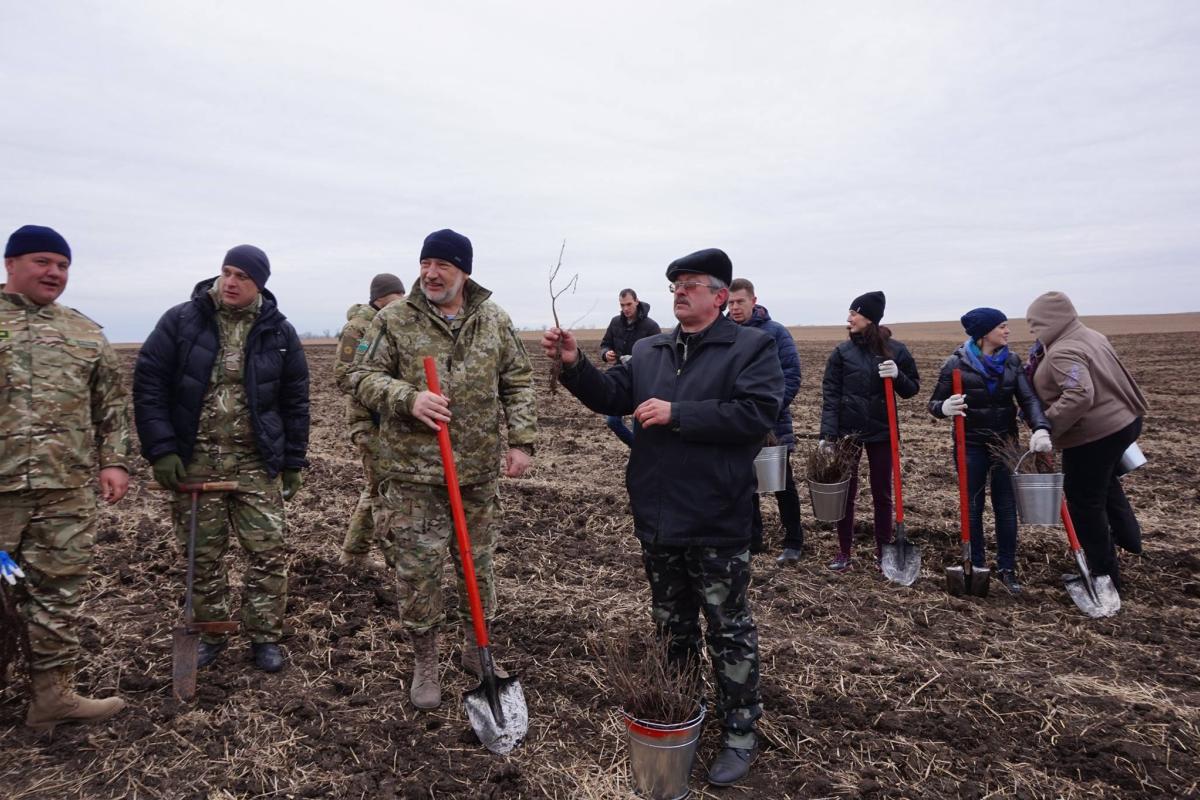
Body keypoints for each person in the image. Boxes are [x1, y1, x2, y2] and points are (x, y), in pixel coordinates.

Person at [542, 248, 782, 787]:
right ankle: (680, 713)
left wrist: (680, 415)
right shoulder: (650, 349)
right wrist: (575, 364)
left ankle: (741, 731)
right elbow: (611, 393)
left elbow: (757, 415)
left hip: (718, 515)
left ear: (720, 297)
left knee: (728, 629)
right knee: (671, 627)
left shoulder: (751, 347)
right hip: (658, 513)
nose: (679, 291)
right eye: (675, 283)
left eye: (692, 284)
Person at [350, 229, 536, 710]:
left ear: (464, 272)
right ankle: (426, 660)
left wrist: (521, 442)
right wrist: (407, 398)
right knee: (419, 570)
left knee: (478, 564)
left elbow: (517, 380)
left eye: (443, 266)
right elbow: (360, 376)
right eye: (425, 263)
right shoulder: (394, 319)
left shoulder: (494, 320)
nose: (431, 273)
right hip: (413, 473)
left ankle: (480, 651)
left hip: (474, 469)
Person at [133, 244, 310, 674]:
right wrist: (162, 450)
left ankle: (265, 636)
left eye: (242, 277)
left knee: (268, 551)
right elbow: (149, 385)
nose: (231, 282)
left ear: (260, 285)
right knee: (202, 555)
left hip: (254, 460)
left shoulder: (279, 333)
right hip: (196, 460)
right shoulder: (181, 321)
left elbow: (295, 400)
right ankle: (211, 632)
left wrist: (292, 461)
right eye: (227, 272)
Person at [0, 225, 131, 733]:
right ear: (11, 264)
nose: (54, 273)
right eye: (42, 262)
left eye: (62, 265)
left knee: (58, 594)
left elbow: (112, 407)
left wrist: (114, 461)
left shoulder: (84, 333)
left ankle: (51, 697)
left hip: (65, 493)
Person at [1025, 291, 1148, 591]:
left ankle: (1103, 575)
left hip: (1094, 436)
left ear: (1051, 321)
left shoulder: (1062, 351)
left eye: (1036, 325)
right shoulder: (1090, 335)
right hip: (1124, 422)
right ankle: (1130, 539)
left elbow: (1080, 393)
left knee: (1084, 503)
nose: (1034, 332)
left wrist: (1046, 427)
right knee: (1104, 485)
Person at [927, 307, 1051, 593]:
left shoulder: (1013, 362)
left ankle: (1008, 569)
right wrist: (944, 409)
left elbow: (1029, 400)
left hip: (1006, 446)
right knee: (972, 507)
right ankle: (976, 564)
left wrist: (1041, 427)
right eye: (1002, 327)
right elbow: (934, 403)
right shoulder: (955, 364)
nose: (1007, 331)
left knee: (1006, 507)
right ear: (984, 333)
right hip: (970, 445)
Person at [819, 291, 920, 571]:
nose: (849, 318)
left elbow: (912, 389)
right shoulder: (842, 353)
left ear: (870, 318)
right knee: (845, 493)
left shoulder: (895, 351)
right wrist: (828, 436)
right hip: (847, 433)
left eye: (854, 313)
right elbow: (831, 395)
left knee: (882, 494)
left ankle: (883, 553)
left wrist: (898, 376)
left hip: (882, 432)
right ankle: (844, 552)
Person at [726, 278, 805, 564]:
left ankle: (794, 541)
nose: (734, 308)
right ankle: (753, 539)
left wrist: (768, 410)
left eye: (740, 302)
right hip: (736, 423)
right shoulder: (724, 333)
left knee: (782, 483)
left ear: (754, 300)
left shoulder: (775, 333)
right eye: (731, 303)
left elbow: (792, 375)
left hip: (771, 423)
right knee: (744, 484)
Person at [333, 273, 406, 569]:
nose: (400, 303)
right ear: (379, 298)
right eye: (395, 298)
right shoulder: (358, 328)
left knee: (376, 484)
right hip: (367, 421)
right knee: (383, 485)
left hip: (391, 418)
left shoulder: (395, 324)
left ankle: (353, 554)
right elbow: (343, 374)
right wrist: (376, 391)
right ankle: (397, 557)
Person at [597, 288, 661, 446]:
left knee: (638, 424)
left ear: (637, 302)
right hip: (620, 379)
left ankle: (640, 455)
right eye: (622, 305)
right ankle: (638, 449)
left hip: (642, 382)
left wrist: (639, 360)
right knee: (612, 421)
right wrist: (606, 354)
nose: (625, 308)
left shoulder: (651, 326)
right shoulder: (615, 322)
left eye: (629, 304)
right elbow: (605, 344)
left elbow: (660, 356)